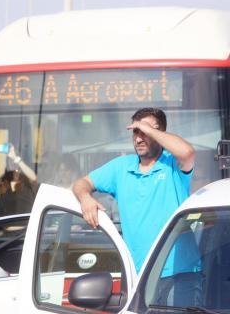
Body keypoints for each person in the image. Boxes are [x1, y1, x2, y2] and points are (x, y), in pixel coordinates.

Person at [72, 107, 195, 273]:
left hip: (179, 272)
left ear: (159, 133)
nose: (138, 139)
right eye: (135, 132)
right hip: (138, 275)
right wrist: (85, 198)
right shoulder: (121, 166)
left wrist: (149, 130)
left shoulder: (172, 164)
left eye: (143, 132)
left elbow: (187, 152)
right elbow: (81, 183)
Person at [0, 143, 38, 216]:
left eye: (14, 160)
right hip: (4, 224)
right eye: (10, 160)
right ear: (7, 162)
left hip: (26, 225)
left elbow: (34, 178)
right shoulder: (5, 179)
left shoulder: (26, 178)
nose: (12, 162)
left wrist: (15, 157)